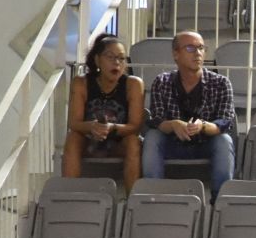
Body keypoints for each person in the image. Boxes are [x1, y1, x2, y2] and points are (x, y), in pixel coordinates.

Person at [142, 32, 235, 191]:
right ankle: (153, 196)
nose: (198, 53)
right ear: (175, 54)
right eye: (190, 48)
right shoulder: (162, 81)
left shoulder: (220, 83)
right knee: (152, 137)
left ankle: (220, 201)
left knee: (224, 140)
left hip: (206, 142)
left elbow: (225, 122)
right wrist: (174, 125)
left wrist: (203, 126)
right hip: (172, 143)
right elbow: (157, 120)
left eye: (201, 48)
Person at [63, 33, 145, 188]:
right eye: (110, 57)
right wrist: (92, 127)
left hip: (118, 141)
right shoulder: (81, 83)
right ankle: (69, 194)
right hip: (89, 140)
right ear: (97, 60)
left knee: (134, 141)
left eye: (121, 58)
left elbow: (135, 126)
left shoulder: (133, 84)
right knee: (73, 138)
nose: (117, 63)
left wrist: (112, 128)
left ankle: (132, 201)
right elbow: (74, 123)